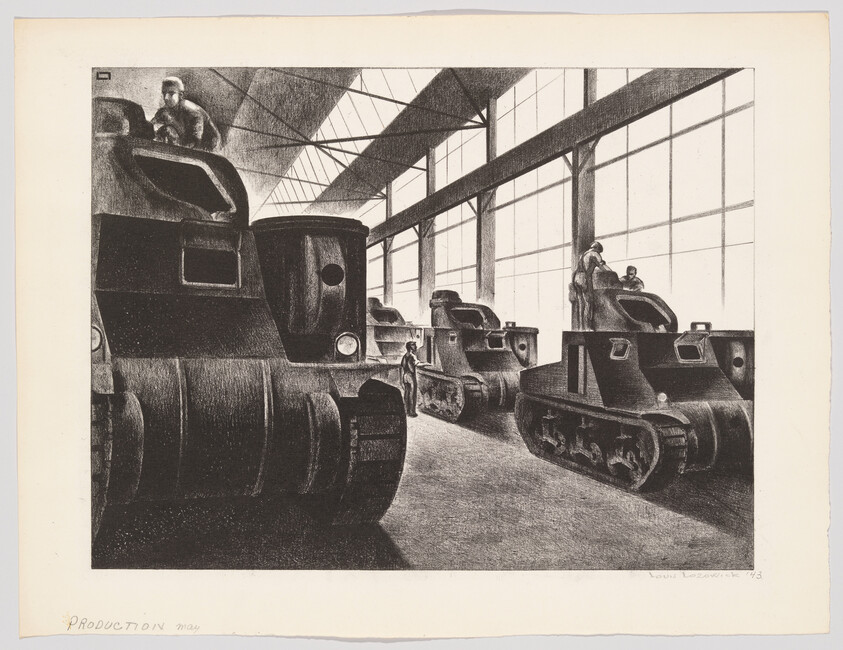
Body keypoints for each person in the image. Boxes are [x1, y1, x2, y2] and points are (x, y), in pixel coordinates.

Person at [151, 77, 221, 151]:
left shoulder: (193, 112)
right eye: (164, 93)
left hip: (208, 148)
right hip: (186, 143)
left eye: (171, 94)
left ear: (180, 95)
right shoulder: (164, 110)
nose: (166, 98)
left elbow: (195, 141)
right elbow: (150, 127)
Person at [571, 241, 612, 330]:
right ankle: (588, 328)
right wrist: (610, 272)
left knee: (581, 304)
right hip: (585, 278)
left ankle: (581, 328)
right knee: (588, 303)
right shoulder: (595, 254)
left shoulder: (583, 255)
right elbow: (602, 268)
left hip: (577, 278)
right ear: (597, 249)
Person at [400, 340, 420, 417]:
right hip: (411, 376)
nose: (416, 347)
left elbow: (402, 367)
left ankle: (406, 411)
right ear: (411, 347)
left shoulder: (405, 356)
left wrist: (402, 378)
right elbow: (412, 368)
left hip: (405, 376)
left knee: (406, 394)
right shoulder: (412, 356)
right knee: (412, 394)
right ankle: (412, 412)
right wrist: (419, 363)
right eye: (414, 345)